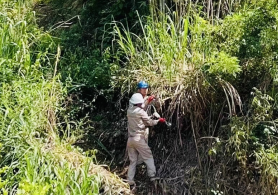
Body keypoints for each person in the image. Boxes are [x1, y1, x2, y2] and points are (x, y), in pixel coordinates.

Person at [126, 93, 166, 186]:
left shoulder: (129, 111)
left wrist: (148, 101)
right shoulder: (141, 112)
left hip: (130, 140)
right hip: (138, 139)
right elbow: (149, 122)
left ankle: (130, 180)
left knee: (133, 161)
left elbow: (141, 107)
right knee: (148, 156)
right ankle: (152, 176)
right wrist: (158, 121)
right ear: (139, 103)